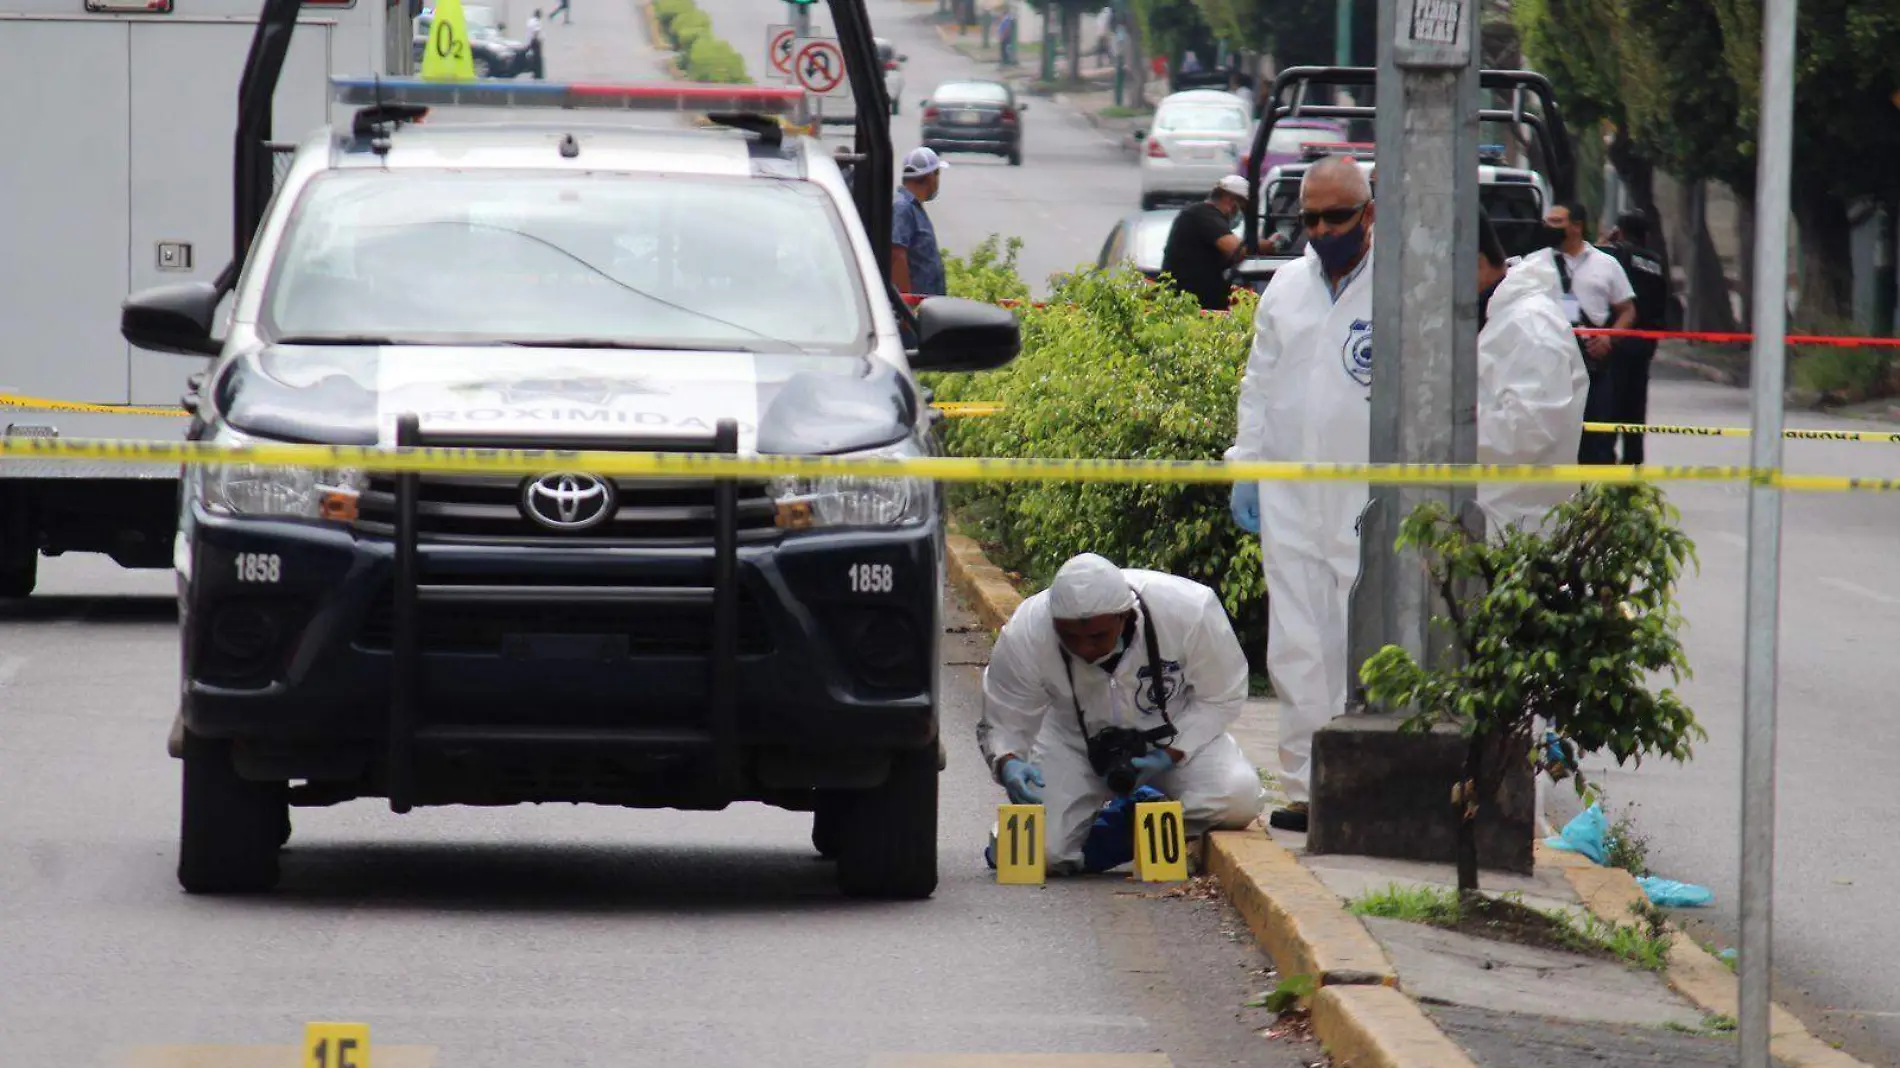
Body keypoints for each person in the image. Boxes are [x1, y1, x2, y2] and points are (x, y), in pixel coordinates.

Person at [1224, 155, 1375, 832]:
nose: (1320, 229)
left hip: (1366, 493)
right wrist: (1246, 469)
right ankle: (1304, 788)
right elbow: (1259, 385)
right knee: (1296, 638)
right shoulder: (1285, 287)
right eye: (1309, 218)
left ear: (1367, 215)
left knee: (1358, 635)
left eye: (1335, 217)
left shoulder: (1396, 287)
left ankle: (1364, 782)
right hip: (1287, 491)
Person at [977, 553, 1266, 874]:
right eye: (1069, 637)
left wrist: (1171, 752)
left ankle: (1127, 820)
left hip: (1172, 738)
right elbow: (1004, 712)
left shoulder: (1190, 610)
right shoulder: (1028, 629)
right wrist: (1008, 761)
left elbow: (1221, 696)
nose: (1084, 649)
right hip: (1072, 744)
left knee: (1238, 796)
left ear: (1126, 616)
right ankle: (1061, 836)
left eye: (1097, 637)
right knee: (1045, 855)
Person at [1475, 213, 1590, 536]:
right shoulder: (1496, 317)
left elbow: (1529, 430)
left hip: (1522, 530)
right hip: (1495, 519)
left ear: (1477, 264)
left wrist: (1441, 427)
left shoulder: (1530, 326)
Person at [1534, 201, 1636, 465]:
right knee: (1554, 442)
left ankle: (1596, 503)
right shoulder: (1535, 264)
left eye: (1557, 222)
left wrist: (1609, 338)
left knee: (1598, 440)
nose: (1548, 227)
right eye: (1547, 221)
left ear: (1577, 227)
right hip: (1550, 368)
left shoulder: (1606, 264)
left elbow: (1627, 310)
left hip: (1593, 365)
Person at [1596, 210, 1670, 464]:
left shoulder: (1617, 254)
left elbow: (1590, 258)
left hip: (1618, 341)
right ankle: (1633, 470)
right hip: (1645, 344)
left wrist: (1606, 239)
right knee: (1635, 411)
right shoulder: (1656, 260)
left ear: (1621, 231)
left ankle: (1607, 471)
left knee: (1610, 408)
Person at [1158, 175, 1287, 311]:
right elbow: (1236, 249)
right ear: (1230, 201)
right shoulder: (1203, 214)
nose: (1239, 214)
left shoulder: (1202, 216)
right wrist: (1270, 245)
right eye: (1241, 208)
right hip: (1188, 310)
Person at [891, 147, 948, 300]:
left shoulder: (913, 207)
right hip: (914, 308)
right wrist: (906, 305)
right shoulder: (903, 208)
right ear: (930, 177)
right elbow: (896, 254)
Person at [525, 9, 545, 79]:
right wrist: (538, 40)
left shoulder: (530, 21)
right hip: (535, 42)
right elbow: (536, 32)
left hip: (530, 41)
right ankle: (538, 74)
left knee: (534, 58)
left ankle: (534, 73)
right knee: (537, 59)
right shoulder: (536, 22)